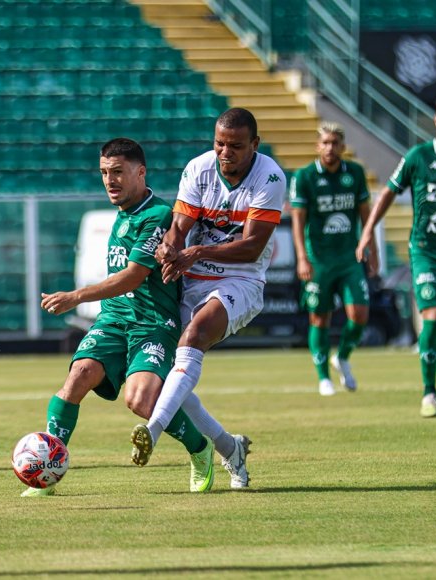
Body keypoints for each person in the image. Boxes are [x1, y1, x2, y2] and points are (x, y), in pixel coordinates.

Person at [32, 137, 247, 496]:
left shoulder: (158, 216)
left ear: (140, 172)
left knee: (141, 401)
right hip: (114, 319)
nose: (109, 180)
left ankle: (201, 449)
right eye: (104, 173)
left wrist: (75, 297)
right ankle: (47, 472)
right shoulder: (119, 217)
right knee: (77, 377)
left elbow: (133, 275)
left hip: (152, 324)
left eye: (118, 172)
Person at [130, 108, 286, 477]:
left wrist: (196, 252)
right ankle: (230, 447)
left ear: (255, 145)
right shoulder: (199, 169)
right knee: (171, 374)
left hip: (241, 279)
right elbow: (179, 230)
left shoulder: (271, 177)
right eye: (219, 144)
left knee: (195, 334)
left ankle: (151, 431)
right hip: (193, 276)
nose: (225, 153)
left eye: (235, 146)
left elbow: (251, 247)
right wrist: (170, 247)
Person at [357, 92, 436, 418]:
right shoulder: (418, 156)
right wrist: (369, 229)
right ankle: (427, 393)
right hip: (425, 252)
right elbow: (388, 192)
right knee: (434, 314)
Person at [290, 122, 378, 396]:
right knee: (320, 317)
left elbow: (366, 216)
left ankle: (342, 357)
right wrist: (302, 258)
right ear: (318, 146)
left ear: (342, 146)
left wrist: (371, 250)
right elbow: (297, 221)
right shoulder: (305, 177)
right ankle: (323, 378)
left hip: (349, 257)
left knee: (359, 314)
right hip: (319, 260)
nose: (330, 148)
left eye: (335, 143)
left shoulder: (355, 173)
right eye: (325, 143)